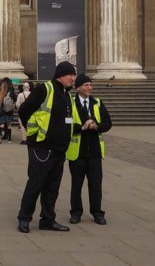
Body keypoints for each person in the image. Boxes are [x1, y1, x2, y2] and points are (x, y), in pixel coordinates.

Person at [16, 61, 77, 233]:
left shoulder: (67, 94)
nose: (73, 78)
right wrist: (33, 133)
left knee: (53, 187)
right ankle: (24, 218)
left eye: (73, 75)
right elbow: (24, 110)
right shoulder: (45, 89)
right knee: (35, 183)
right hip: (42, 147)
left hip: (59, 149)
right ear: (60, 75)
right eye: (70, 75)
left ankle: (48, 219)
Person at [67, 74, 112, 225]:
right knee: (76, 184)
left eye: (90, 85)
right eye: (86, 85)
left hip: (94, 152)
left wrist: (96, 126)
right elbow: (66, 124)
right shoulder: (70, 103)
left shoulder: (97, 103)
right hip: (77, 152)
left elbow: (108, 123)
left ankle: (97, 212)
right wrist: (82, 127)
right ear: (78, 87)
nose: (89, 88)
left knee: (95, 184)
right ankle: (76, 212)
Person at [0, 78, 17, 143]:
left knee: (2, 124)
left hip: (1, 110)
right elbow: (15, 98)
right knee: (9, 124)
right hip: (9, 110)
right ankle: (10, 139)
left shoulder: (0, 92)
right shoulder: (10, 92)